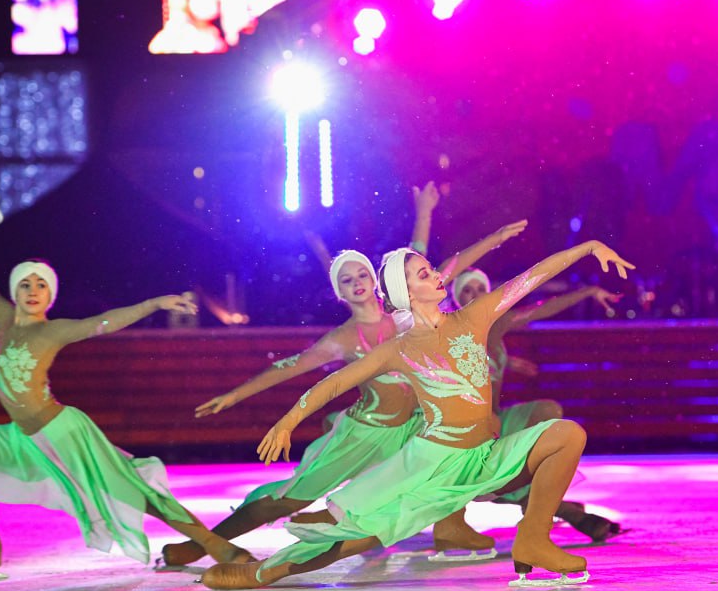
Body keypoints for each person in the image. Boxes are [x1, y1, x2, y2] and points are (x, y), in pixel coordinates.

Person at [201, 238, 635, 591]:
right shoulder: (401, 348)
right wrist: (287, 420)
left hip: (482, 454)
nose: (437, 275)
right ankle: (266, 572)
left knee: (565, 434)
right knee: (363, 537)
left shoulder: (473, 318)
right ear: (406, 293)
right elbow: (334, 383)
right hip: (432, 465)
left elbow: (529, 279)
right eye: (424, 273)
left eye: (431, 268)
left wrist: (588, 247)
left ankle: (534, 539)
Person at [167, 188, 528, 566]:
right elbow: (288, 367)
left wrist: (490, 237)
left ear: (379, 282)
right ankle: (202, 545)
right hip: (362, 434)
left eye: (362, 275)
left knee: (449, 458)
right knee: (290, 499)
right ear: (338, 293)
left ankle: (452, 527)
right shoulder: (340, 340)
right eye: (346, 280)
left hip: (411, 430)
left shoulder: (405, 317)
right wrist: (236, 395)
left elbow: (441, 262)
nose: (356, 283)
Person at [0, 194, 252, 581]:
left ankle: (218, 546)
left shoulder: (54, 329)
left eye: (41, 285)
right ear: (14, 291)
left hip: (63, 433)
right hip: (22, 438)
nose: (32, 291)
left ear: (50, 294)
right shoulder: (3, 320)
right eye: (25, 284)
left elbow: (105, 321)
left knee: (132, 489)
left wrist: (154, 304)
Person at [451, 269, 623, 542]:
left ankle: (540, 498)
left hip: (497, 422)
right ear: (456, 298)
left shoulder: (497, 324)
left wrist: (587, 292)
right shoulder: (448, 333)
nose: (474, 296)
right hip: (468, 433)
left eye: (479, 289)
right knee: (499, 470)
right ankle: (562, 510)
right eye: (466, 290)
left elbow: (540, 309)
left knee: (549, 413)